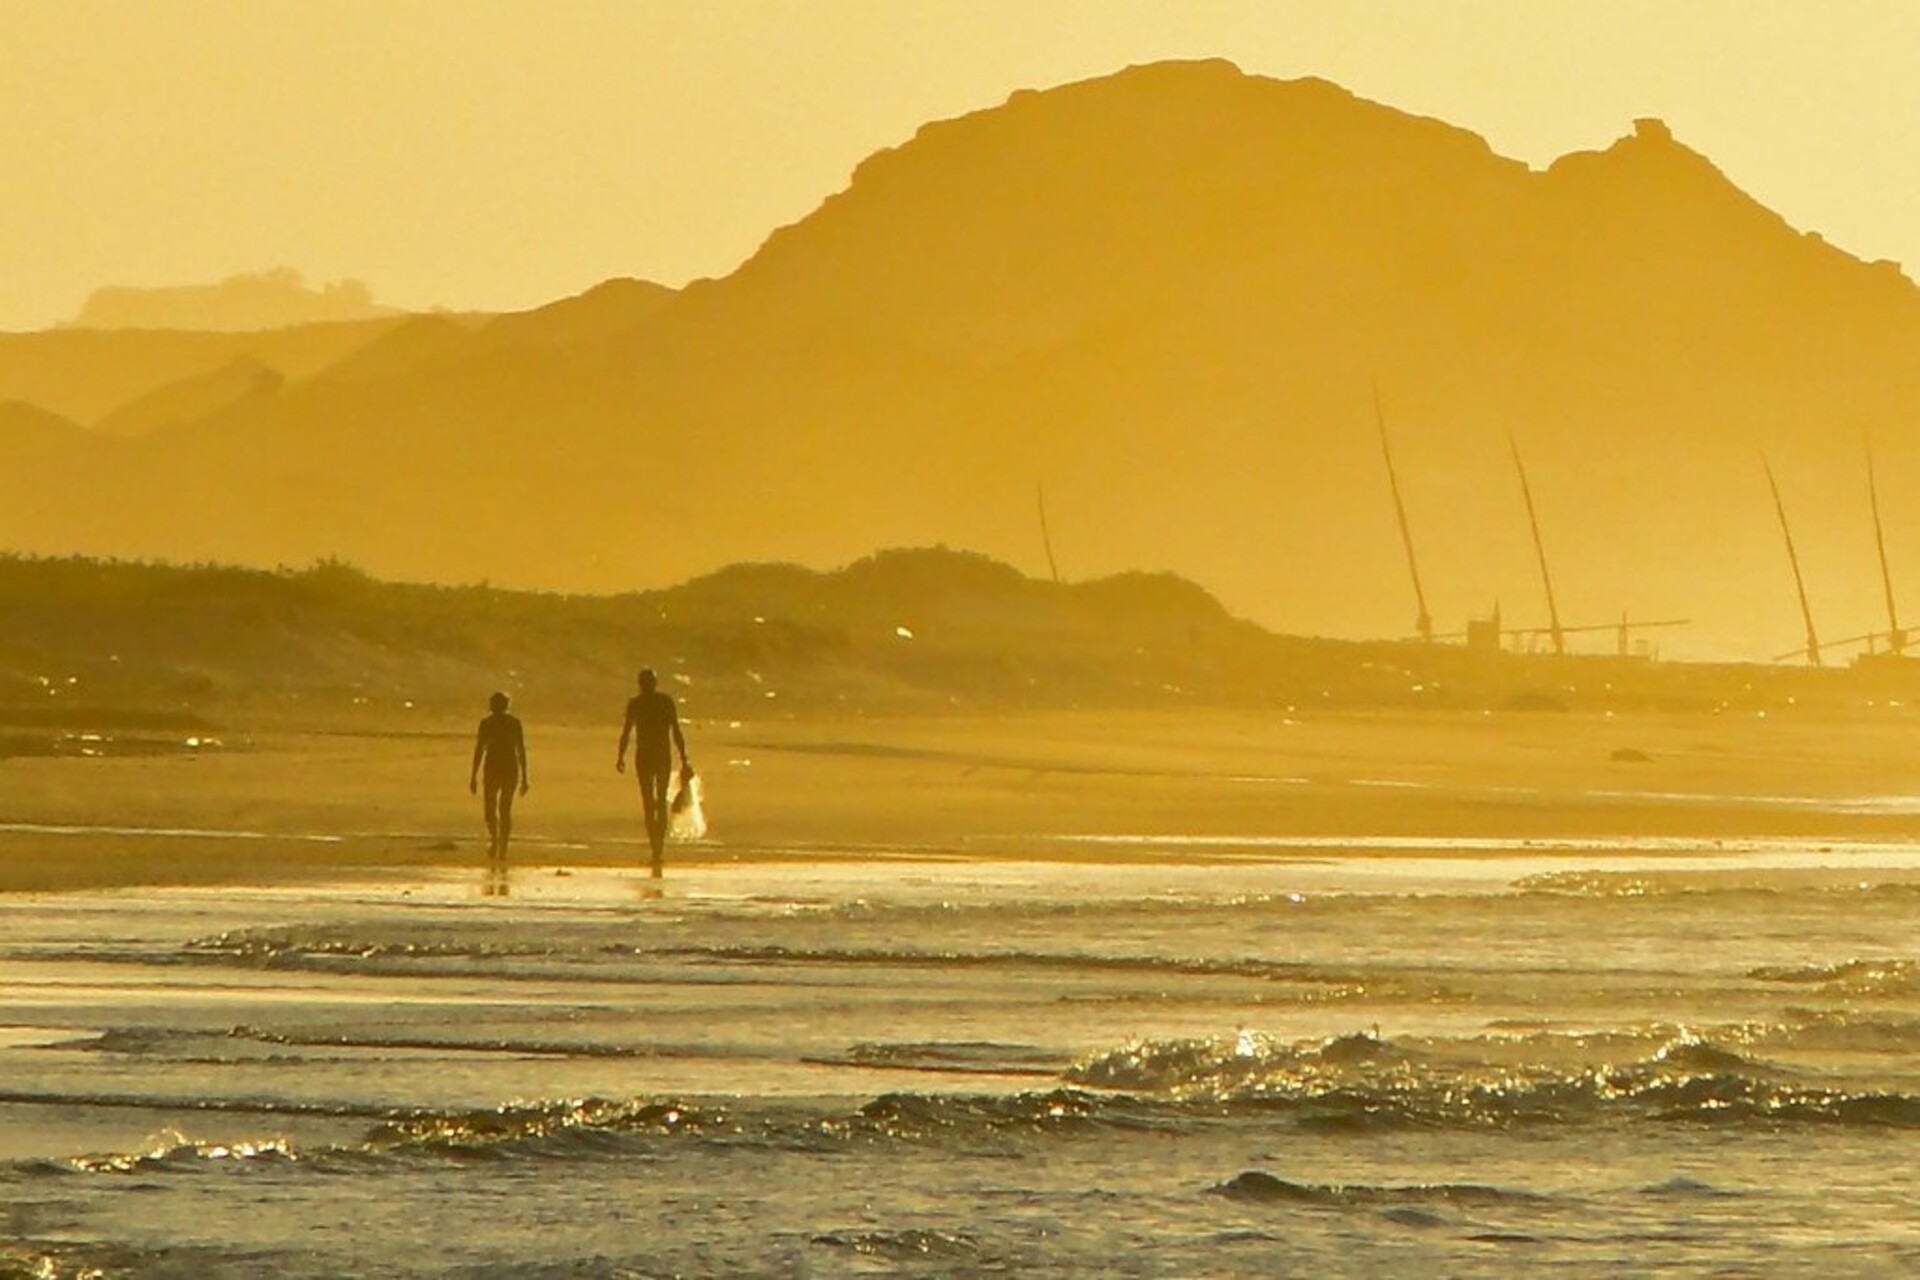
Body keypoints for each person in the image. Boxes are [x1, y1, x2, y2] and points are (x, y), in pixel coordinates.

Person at [617, 668, 689, 876]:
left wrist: (620, 756)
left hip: (646, 757)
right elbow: (676, 731)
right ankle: (658, 847)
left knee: (650, 802)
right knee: (657, 802)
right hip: (659, 757)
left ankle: (655, 846)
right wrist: (684, 758)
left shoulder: (637, 704)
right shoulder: (664, 702)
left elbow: (626, 732)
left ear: (640, 684)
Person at [469, 691, 529, 859]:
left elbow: (480, 750)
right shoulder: (508, 723)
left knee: (496, 808)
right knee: (502, 809)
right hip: (506, 768)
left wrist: (473, 775)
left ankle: (499, 843)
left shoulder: (490, 723)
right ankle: (499, 843)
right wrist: (524, 777)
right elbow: (520, 751)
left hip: (497, 767)